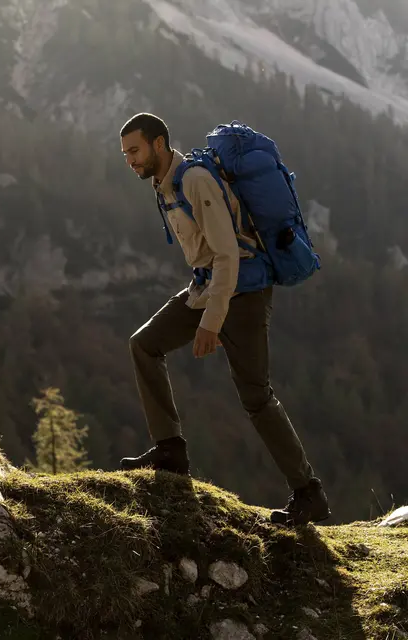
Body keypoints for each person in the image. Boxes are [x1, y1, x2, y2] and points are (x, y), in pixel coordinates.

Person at [119, 112, 330, 526]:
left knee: (256, 396)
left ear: (159, 144)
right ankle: (169, 450)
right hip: (208, 287)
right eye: (125, 153)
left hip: (243, 293)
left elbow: (228, 253)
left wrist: (211, 322)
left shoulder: (194, 181)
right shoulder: (164, 185)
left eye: (135, 150)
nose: (130, 160)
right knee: (144, 344)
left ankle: (309, 494)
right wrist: (206, 304)